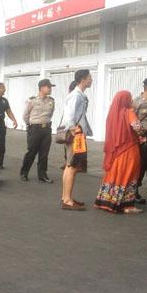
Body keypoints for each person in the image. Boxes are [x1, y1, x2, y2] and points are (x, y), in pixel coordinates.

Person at [94, 91, 143, 214]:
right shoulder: (128, 112)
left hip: (116, 151)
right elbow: (138, 128)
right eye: (130, 98)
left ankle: (107, 200)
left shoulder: (112, 115)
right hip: (129, 149)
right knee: (129, 174)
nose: (131, 101)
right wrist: (142, 135)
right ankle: (127, 205)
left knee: (115, 173)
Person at [60, 69, 93, 211]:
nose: (91, 80)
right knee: (73, 167)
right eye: (90, 78)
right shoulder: (76, 96)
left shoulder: (79, 95)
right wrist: (74, 129)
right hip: (76, 135)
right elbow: (69, 115)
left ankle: (66, 197)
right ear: (83, 80)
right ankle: (67, 200)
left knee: (69, 166)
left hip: (76, 134)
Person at [20, 79, 56, 183]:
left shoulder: (51, 101)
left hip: (47, 129)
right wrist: (31, 125)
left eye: (51, 87)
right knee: (31, 152)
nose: (50, 89)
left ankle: (42, 175)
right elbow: (25, 116)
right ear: (41, 88)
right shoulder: (32, 100)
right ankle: (24, 173)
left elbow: (51, 114)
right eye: (49, 87)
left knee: (44, 153)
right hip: (35, 129)